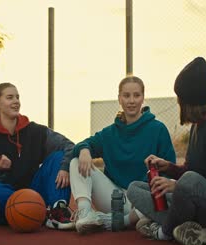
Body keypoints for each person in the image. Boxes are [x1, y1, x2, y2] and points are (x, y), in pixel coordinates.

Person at [126, 57, 206, 245]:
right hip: (199, 204)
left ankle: (164, 231)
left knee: (188, 181)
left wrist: (177, 186)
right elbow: (191, 170)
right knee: (135, 188)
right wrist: (168, 167)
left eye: (180, 99)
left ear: (189, 101)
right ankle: (196, 230)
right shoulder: (198, 126)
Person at [69, 75, 176, 234]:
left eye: (136, 95)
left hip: (143, 202)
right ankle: (85, 214)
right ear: (119, 98)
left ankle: (126, 221)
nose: (131, 101)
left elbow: (170, 173)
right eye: (126, 96)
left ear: (143, 98)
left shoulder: (158, 130)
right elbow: (82, 145)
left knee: (167, 190)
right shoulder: (110, 133)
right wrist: (84, 150)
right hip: (115, 199)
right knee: (76, 161)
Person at [0, 82, 75, 230]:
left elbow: (70, 146)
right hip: (7, 198)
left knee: (58, 157)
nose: (15, 101)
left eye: (17, 97)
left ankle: (57, 211)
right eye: (10, 97)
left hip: (35, 194)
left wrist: (65, 168)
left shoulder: (36, 131)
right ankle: (34, 213)